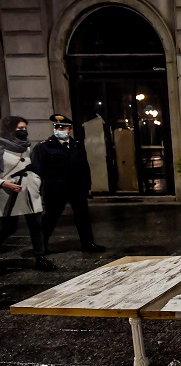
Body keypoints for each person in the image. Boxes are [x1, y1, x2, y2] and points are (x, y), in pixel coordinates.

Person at [31, 114, 105, 253]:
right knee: (50, 218)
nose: (59, 129)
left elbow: (84, 167)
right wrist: (38, 190)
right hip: (55, 189)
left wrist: (87, 186)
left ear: (69, 129)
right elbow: (37, 170)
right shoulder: (44, 147)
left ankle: (88, 244)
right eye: (56, 127)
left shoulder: (76, 145)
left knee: (82, 216)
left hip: (76, 188)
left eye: (63, 127)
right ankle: (40, 246)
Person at [0, 116, 57, 270]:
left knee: (36, 224)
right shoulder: (1, 147)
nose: (23, 131)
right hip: (8, 193)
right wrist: (4, 183)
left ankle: (40, 257)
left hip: (28, 190)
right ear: (9, 129)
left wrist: (36, 180)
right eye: (19, 129)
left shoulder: (25, 146)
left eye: (24, 128)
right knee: (8, 227)